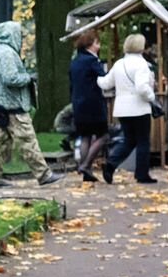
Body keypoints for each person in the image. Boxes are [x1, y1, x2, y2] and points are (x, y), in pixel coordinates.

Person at [0, 20, 63, 188]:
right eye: (19, 35)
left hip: (2, 105)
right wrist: (29, 77)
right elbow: (10, 78)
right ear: (11, 35)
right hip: (13, 106)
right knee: (28, 140)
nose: (21, 38)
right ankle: (43, 174)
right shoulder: (7, 54)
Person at [97, 33, 159, 184]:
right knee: (143, 141)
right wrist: (152, 98)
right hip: (139, 108)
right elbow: (142, 88)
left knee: (129, 140)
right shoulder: (142, 64)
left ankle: (111, 164)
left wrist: (93, 76)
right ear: (141, 47)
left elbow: (105, 83)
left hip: (122, 109)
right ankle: (142, 174)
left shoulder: (119, 64)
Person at [68, 30, 108, 183]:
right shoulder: (92, 61)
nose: (99, 46)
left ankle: (87, 172)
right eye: (97, 43)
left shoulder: (75, 61)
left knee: (85, 136)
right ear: (90, 45)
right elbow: (103, 78)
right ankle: (85, 165)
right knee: (103, 135)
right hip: (93, 103)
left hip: (78, 103)